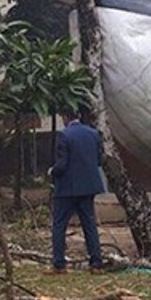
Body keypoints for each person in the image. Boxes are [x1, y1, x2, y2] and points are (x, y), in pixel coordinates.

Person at [49, 106, 106, 274]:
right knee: (89, 224)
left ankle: (59, 264)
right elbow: (98, 160)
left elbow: (62, 165)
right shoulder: (93, 134)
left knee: (59, 225)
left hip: (67, 189)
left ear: (65, 117)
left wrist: (52, 171)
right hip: (88, 187)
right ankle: (96, 263)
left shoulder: (64, 135)